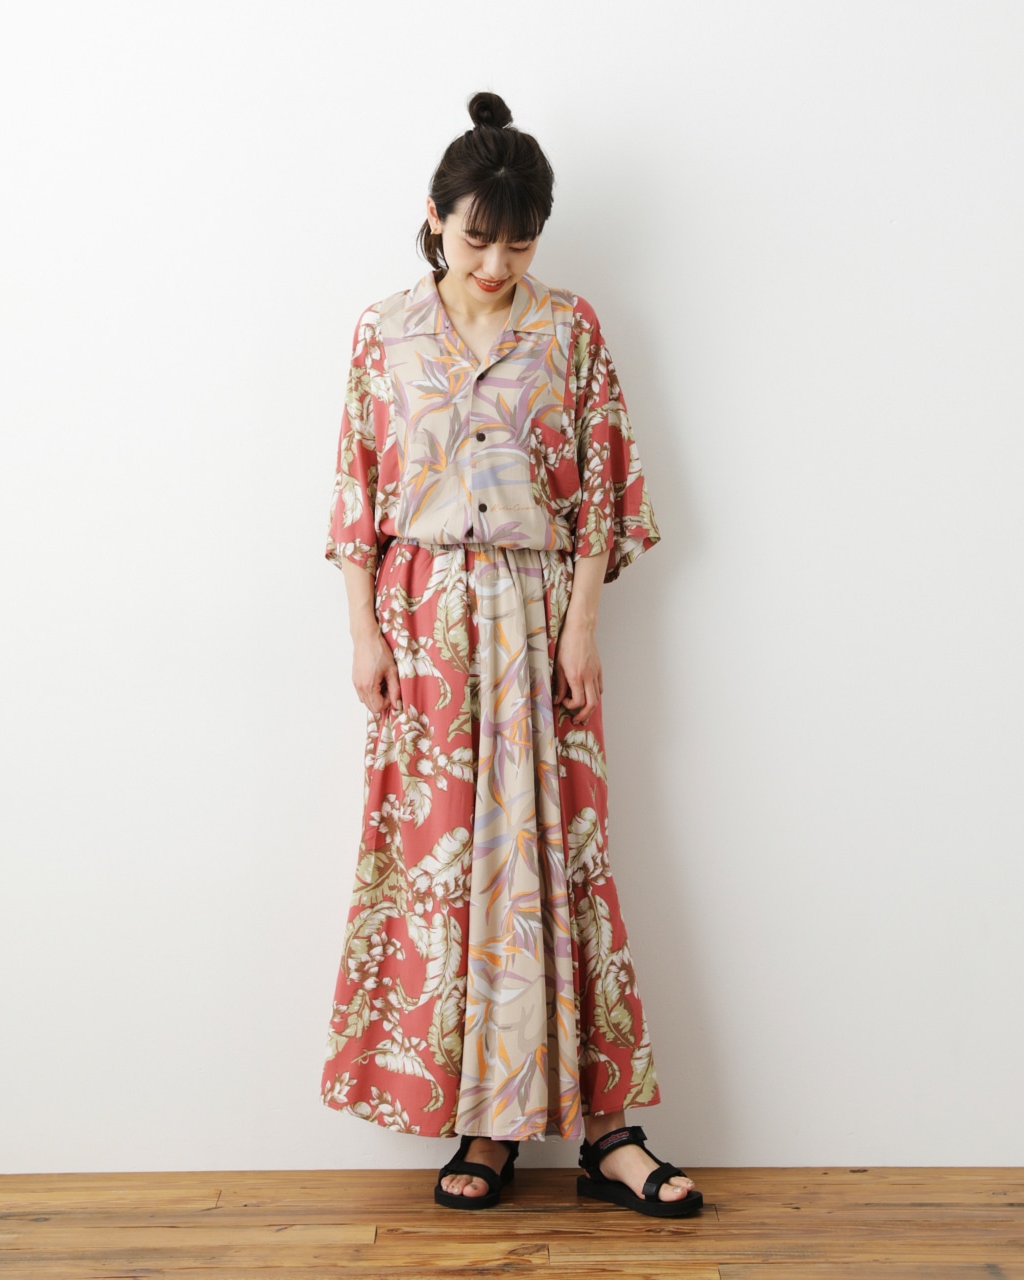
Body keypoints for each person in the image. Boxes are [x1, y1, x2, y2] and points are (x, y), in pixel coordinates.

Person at [321, 91, 702, 1219]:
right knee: (451, 873)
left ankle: (608, 1132)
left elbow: (604, 494)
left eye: (519, 245)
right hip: (426, 624)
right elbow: (355, 494)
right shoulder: (383, 332)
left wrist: (582, 624)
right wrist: (364, 631)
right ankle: (484, 1126)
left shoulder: (570, 330)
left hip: (540, 619)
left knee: (559, 861)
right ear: (435, 217)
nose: (495, 266)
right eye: (476, 239)